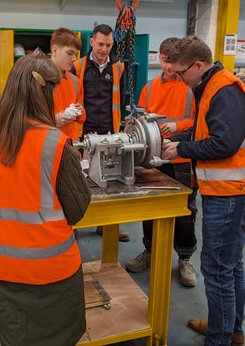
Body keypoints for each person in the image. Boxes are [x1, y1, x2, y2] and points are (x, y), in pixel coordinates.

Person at [0, 53, 91, 346]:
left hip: (1, 268)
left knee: (16, 336)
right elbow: (77, 210)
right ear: (47, 92)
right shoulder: (54, 143)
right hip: (52, 271)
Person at [161, 35, 245, 346]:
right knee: (230, 265)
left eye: (180, 74)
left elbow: (224, 143)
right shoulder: (208, 88)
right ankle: (231, 330)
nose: (178, 80)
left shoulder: (225, 91)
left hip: (234, 194)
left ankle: (219, 339)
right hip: (230, 191)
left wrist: (182, 147)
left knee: (217, 269)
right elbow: (207, 131)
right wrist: (180, 139)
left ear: (198, 64)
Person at [125, 37, 198, 288]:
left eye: (172, 61)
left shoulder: (191, 86)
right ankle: (150, 251)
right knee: (151, 206)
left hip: (181, 156)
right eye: (165, 60)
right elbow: (140, 120)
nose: (168, 66)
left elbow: (200, 122)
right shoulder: (149, 87)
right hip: (153, 156)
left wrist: (178, 126)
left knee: (185, 211)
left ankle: (185, 258)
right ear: (159, 58)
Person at [71, 23, 130, 242]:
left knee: (110, 180)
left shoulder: (119, 68)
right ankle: (76, 222)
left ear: (112, 43)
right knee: (79, 178)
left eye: (108, 44)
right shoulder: (77, 67)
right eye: (100, 44)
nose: (104, 49)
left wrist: (117, 131)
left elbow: (120, 99)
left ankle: (107, 227)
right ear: (92, 42)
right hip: (83, 131)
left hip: (109, 131)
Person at [50, 27, 85, 140]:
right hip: (46, 146)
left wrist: (80, 111)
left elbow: (81, 119)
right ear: (54, 50)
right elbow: (24, 118)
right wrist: (53, 120)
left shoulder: (75, 82)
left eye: (76, 54)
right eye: (69, 53)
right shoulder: (37, 78)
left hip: (69, 145)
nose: (74, 59)